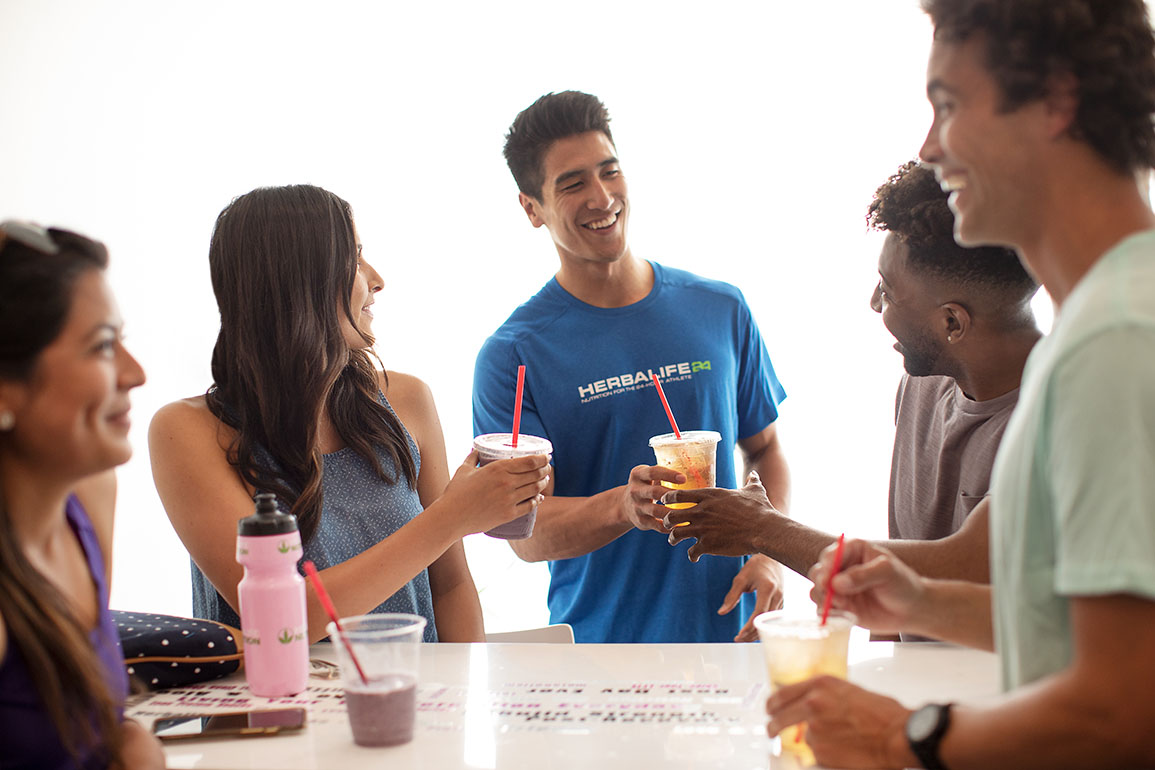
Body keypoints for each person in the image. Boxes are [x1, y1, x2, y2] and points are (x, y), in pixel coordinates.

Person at [766, 2, 1155, 768]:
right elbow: (1076, 635)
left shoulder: (1115, 340)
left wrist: (896, 737)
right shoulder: (1095, 327)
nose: (928, 145)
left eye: (946, 105)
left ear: (1055, 99)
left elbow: (1122, 709)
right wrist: (920, 598)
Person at [150, 185, 550, 644]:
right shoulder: (188, 432)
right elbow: (282, 619)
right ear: (298, 282)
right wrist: (451, 517)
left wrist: (458, 707)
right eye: (354, 259)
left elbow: (451, 586)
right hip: (276, 714)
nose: (377, 280)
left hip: (413, 706)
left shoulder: (407, 400)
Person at [472, 91, 790, 643]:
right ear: (532, 208)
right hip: (601, 657)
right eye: (572, 184)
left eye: (610, 172)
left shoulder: (720, 308)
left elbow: (766, 449)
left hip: (737, 645)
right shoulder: (513, 356)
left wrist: (771, 549)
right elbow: (524, 535)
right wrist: (625, 505)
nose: (602, 197)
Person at [665, 161, 1040, 588]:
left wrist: (763, 529)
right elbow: (905, 568)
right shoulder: (924, 382)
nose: (874, 302)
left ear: (952, 323)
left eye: (888, 289)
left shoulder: (1064, 418)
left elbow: (964, 564)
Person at [0, 221, 164, 768]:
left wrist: (128, 743)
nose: (136, 373)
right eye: (101, 347)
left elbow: (89, 726)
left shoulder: (90, 495)